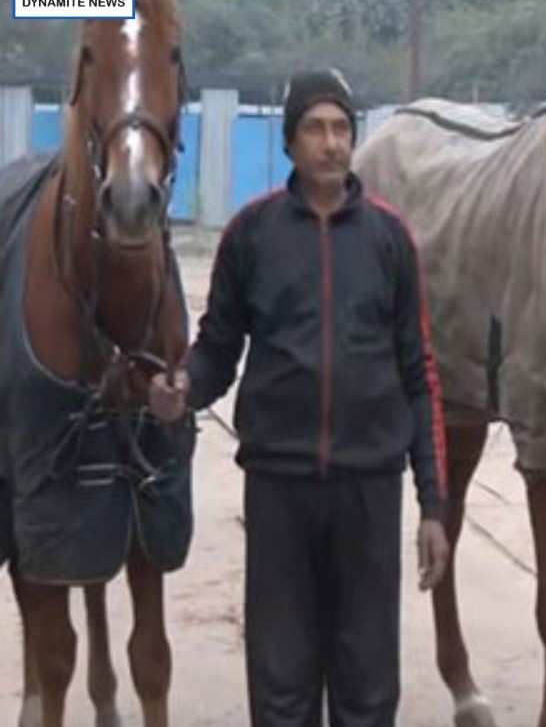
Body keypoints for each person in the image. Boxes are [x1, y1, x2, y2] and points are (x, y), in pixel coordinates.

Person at [147, 69, 450, 727]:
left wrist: (433, 504)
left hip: (369, 490)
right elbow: (218, 347)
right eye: (315, 128)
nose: (331, 143)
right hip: (279, 490)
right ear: (289, 142)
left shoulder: (390, 239)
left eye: (341, 128)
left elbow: (419, 372)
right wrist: (185, 387)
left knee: (367, 681)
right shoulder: (251, 236)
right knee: (281, 679)